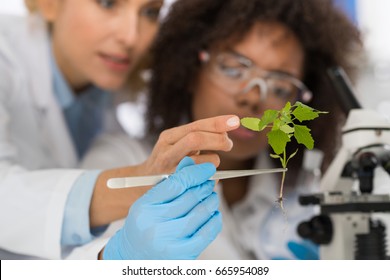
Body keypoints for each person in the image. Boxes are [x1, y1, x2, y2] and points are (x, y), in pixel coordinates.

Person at [0, 0, 241, 260]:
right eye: (108, 3)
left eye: (150, 12)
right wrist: (141, 179)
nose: (131, 37)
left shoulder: (106, 88)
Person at [145, 0, 363, 259]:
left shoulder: (305, 197)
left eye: (280, 88)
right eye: (233, 69)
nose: (253, 98)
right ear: (192, 69)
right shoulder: (122, 160)